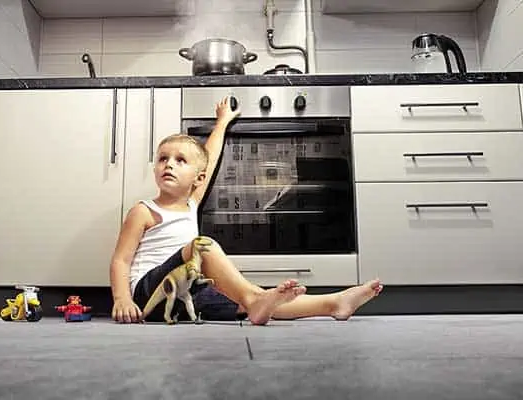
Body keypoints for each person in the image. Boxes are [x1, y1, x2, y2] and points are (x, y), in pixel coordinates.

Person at [109, 96, 383, 325]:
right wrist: (122, 298)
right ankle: (256, 301)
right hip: (148, 294)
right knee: (201, 246)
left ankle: (333, 303)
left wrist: (222, 123)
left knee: (249, 299)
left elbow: (210, 159)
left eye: (180, 160)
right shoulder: (144, 211)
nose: (168, 164)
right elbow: (121, 261)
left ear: (198, 178)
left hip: (183, 294)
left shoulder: (191, 204)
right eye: (163, 159)